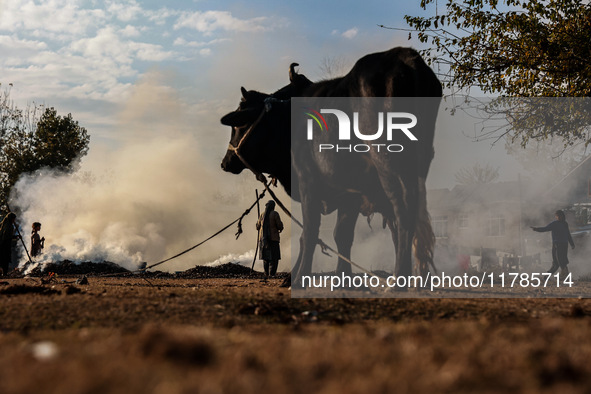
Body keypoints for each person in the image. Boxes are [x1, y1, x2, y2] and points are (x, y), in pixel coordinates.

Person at [531, 210, 575, 275]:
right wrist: (536, 229)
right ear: (556, 217)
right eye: (557, 216)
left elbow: (568, 234)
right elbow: (545, 229)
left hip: (563, 244)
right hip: (556, 244)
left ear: (563, 216)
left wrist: (572, 244)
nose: (559, 217)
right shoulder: (554, 224)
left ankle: (565, 274)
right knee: (556, 262)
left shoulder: (565, 224)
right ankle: (548, 275)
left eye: (560, 215)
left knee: (561, 260)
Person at [256, 200, 284, 278]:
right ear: (273, 207)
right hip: (273, 239)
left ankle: (266, 274)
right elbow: (279, 225)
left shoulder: (262, 215)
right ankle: (272, 274)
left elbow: (257, 227)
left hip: (263, 240)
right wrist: (281, 227)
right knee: (274, 258)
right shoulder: (275, 214)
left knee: (266, 258)